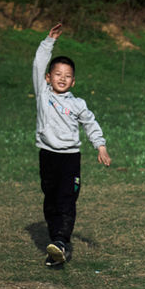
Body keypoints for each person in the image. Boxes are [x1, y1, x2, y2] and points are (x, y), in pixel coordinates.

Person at [32, 22, 111, 267]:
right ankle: (55, 245)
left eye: (67, 76)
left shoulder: (78, 104)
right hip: (48, 156)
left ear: (73, 81)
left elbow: (90, 123)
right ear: (48, 77)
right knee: (51, 200)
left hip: (70, 158)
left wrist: (100, 145)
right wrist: (49, 41)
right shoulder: (43, 94)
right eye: (57, 74)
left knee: (67, 200)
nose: (62, 79)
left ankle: (61, 242)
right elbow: (37, 63)